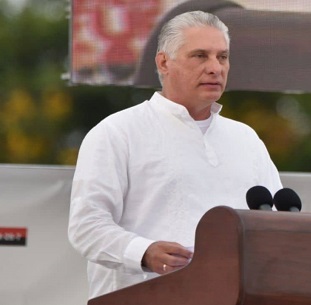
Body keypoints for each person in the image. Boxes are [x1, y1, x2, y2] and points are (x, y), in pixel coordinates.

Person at [68, 11, 283, 299]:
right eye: (200, 56)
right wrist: (144, 252)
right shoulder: (117, 132)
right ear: (163, 62)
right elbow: (87, 226)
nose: (215, 68)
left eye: (222, 57)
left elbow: (277, 223)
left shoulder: (246, 138)